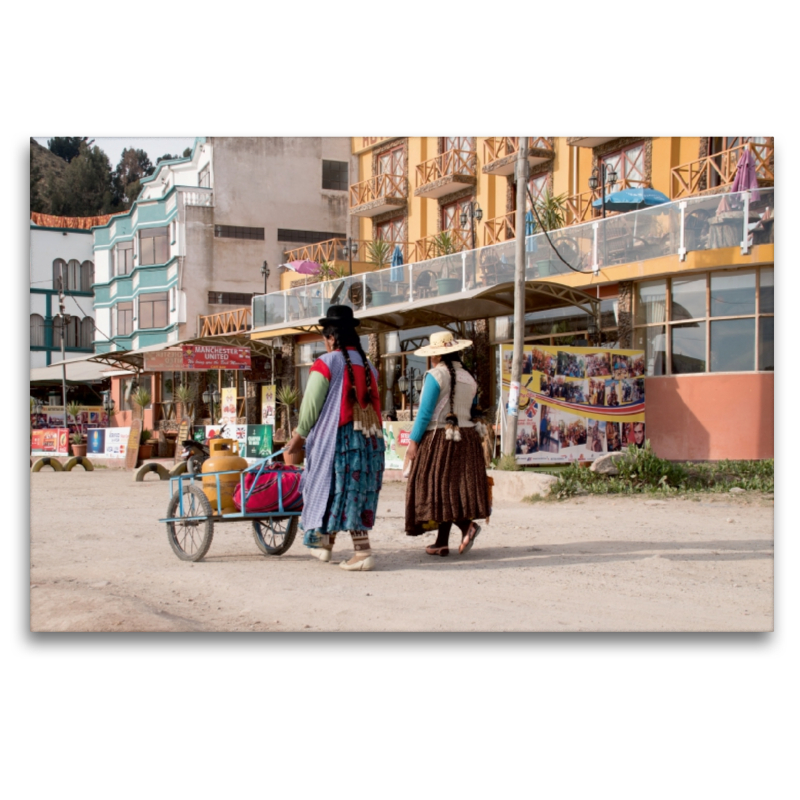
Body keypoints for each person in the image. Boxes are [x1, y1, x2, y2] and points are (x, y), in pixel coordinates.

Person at [285, 305, 384, 571]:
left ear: (331, 338)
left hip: (339, 442)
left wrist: (298, 437)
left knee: (342, 491)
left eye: (324, 339)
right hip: (370, 441)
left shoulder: (326, 363)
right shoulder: (370, 367)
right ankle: (324, 545)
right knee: (352, 492)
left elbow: (310, 406)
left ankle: (363, 553)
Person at [404, 331, 489, 557]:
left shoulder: (435, 375)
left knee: (436, 489)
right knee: (453, 489)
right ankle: (441, 542)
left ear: (436, 356)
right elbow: (473, 410)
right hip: (468, 439)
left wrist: (413, 442)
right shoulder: (469, 378)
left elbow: (424, 414)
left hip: (440, 439)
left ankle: (466, 526)